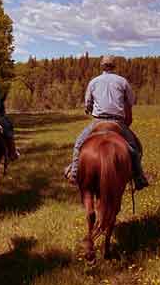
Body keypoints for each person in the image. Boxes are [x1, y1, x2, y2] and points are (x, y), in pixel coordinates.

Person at [64, 54, 149, 190]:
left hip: (98, 121)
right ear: (114, 66)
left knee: (79, 144)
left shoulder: (93, 82)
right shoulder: (122, 81)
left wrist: (89, 109)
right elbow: (130, 101)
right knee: (134, 148)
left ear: (102, 66)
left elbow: (88, 104)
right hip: (118, 122)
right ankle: (139, 178)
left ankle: (74, 174)